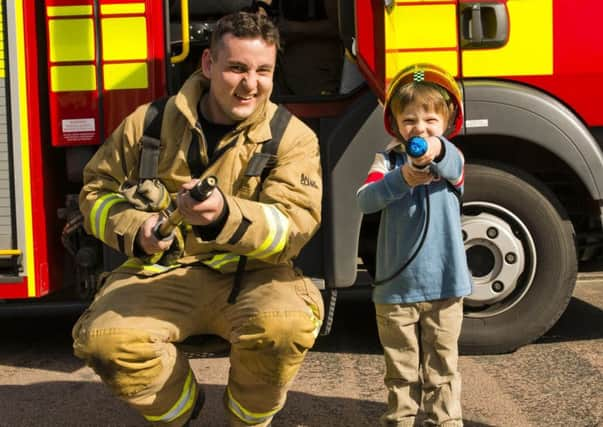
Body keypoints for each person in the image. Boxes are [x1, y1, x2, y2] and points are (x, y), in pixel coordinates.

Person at [73, 11, 324, 427]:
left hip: (255, 276)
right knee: (105, 341)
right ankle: (182, 412)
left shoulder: (292, 137)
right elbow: (95, 193)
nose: (251, 84)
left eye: (264, 71)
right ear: (208, 65)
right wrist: (140, 229)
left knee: (286, 326)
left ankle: (248, 420)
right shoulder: (149, 123)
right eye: (237, 68)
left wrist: (225, 215)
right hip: (162, 275)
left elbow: (294, 226)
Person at [356, 64, 472, 427]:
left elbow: (452, 165)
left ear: (447, 122)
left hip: (445, 286)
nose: (419, 128)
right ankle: (401, 420)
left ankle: (445, 421)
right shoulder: (388, 160)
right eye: (409, 121)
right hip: (395, 289)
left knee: (442, 367)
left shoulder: (452, 158)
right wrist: (401, 178)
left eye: (429, 120)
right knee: (400, 369)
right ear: (395, 123)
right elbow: (365, 200)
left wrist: (435, 152)